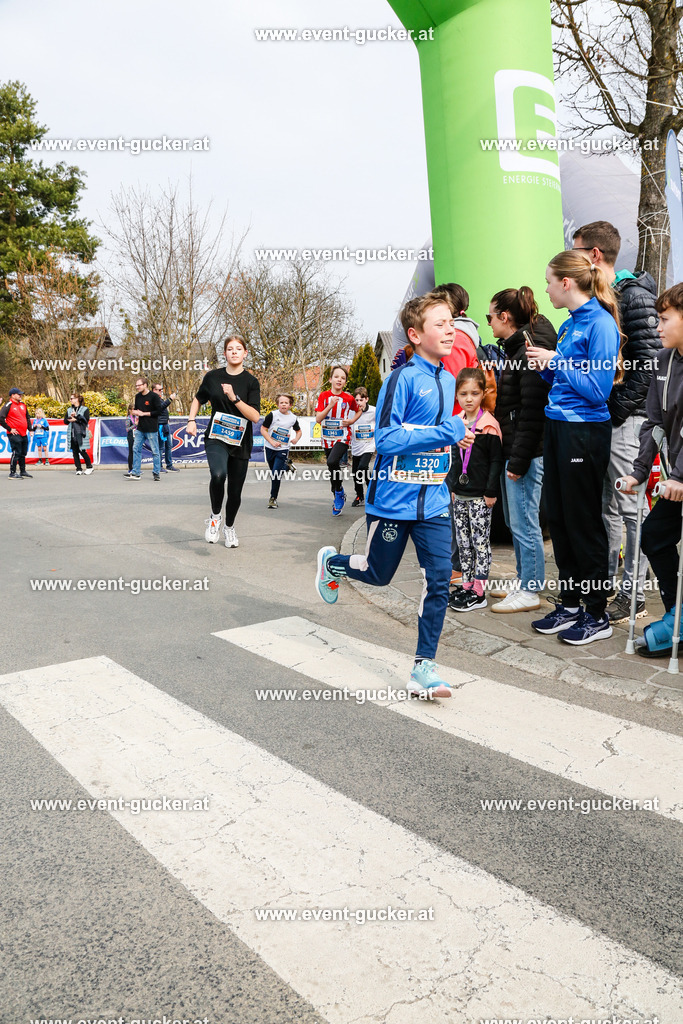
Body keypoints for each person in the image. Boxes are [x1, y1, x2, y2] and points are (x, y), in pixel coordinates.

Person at [315, 292, 475, 697]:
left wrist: (456, 438)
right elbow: (386, 439)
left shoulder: (450, 379)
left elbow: (437, 436)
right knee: (379, 574)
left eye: (452, 322)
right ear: (415, 334)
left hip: (434, 501)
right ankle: (333, 564)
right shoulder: (399, 379)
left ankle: (424, 666)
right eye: (440, 324)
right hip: (393, 501)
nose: (450, 329)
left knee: (439, 579)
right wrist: (446, 433)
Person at [526, 250, 622, 645]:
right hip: (558, 427)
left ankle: (596, 613)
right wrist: (547, 369)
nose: (546, 288)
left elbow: (598, 392)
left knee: (583, 521)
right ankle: (569, 604)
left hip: (584, 432)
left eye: (549, 281)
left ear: (567, 283)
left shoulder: (600, 323)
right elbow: (567, 385)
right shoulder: (569, 325)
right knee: (560, 519)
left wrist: (557, 362)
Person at [572, 221, 661, 624]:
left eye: (576, 251)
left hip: (628, 422)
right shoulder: (610, 297)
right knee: (607, 508)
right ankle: (605, 585)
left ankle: (635, 595)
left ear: (593, 255)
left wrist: (616, 412)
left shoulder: (635, 296)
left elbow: (649, 365)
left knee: (630, 510)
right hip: (609, 420)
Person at [620, 283, 683, 658]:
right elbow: (654, 424)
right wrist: (639, 471)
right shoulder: (664, 360)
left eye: (664, 318)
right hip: (675, 479)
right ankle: (678, 614)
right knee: (654, 536)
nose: (657, 326)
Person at [488, 286, 557, 613]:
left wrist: (518, 459)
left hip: (526, 451)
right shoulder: (517, 348)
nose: (488, 324)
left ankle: (530, 590)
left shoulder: (528, 349)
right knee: (517, 522)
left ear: (505, 316)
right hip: (517, 448)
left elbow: (532, 411)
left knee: (525, 521)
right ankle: (524, 579)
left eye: (490, 316)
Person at [187, 335, 261, 548]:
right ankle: (215, 517)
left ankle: (229, 527)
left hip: (240, 441)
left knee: (235, 492)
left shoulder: (251, 382)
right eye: (230, 348)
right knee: (218, 475)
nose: (234, 352)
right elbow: (198, 398)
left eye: (239, 348)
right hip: (216, 437)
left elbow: (255, 417)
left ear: (245, 353)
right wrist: (191, 420)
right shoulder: (212, 377)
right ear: (225, 353)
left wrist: (235, 398)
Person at [447, 368, 503, 612]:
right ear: (457, 396)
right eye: (463, 394)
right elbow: (453, 459)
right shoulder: (456, 424)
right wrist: (451, 486)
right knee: (463, 542)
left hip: (481, 497)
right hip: (459, 495)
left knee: (480, 543)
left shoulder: (489, 426)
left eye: (474, 393)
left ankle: (479, 590)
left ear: (483, 394)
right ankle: (467, 584)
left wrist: (491, 491)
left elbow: (495, 462)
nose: (468, 399)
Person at [315, 366, 361, 516]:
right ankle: (337, 496)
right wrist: (330, 405)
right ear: (330, 379)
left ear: (345, 382)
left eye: (343, 378)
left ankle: (339, 490)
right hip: (327, 436)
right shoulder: (323, 396)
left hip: (342, 435)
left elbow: (359, 409)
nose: (339, 380)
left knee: (332, 461)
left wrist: (352, 420)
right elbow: (318, 419)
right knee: (331, 468)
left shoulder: (348, 398)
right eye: (336, 377)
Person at [261, 394, 302, 509]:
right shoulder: (272, 415)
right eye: (281, 402)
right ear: (278, 404)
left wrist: (296, 439)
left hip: (283, 449)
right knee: (274, 471)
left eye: (286, 403)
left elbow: (299, 431)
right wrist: (272, 442)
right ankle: (287, 467)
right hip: (270, 447)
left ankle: (273, 498)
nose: (283, 404)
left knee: (275, 474)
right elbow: (263, 430)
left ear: (290, 405)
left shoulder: (293, 418)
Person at [127, 377, 163, 481]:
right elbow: (139, 410)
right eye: (136, 385)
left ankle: (156, 472)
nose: (137, 387)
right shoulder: (137, 396)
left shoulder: (154, 396)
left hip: (151, 428)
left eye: (139, 385)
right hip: (140, 428)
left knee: (155, 451)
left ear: (145, 385)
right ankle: (136, 472)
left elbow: (158, 412)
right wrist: (136, 413)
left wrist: (144, 413)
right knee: (135, 449)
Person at [350, 387, 376, 507]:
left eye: (361, 400)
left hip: (369, 446)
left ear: (366, 399)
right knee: (356, 473)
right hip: (356, 447)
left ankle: (371, 493)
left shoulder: (374, 411)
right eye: (356, 400)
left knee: (362, 467)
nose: (358, 403)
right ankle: (360, 495)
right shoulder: (351, 412)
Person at [0, 387, 33, 479]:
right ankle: (12, 472)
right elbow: (1, 418)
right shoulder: (8, 405)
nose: (20, 395)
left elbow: (27, 417)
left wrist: (30, 429)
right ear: (13, 395)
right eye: (18, 394)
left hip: (23, 433)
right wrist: (10, 429)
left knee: (23, 453)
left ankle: (23, 471)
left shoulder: (23, 405)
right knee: (16, 452)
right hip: (14, 433)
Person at [152, 383, 181, 473]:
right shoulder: (153, 399)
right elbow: (160, 408)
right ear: (154, 390)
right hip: (159, 425)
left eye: (162, 389)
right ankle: (159, 466)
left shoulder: (159, 398)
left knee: (169, 445)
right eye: (159, 390)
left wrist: (167, 419)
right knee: (160, 447)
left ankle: (169, 465)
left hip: (165, 424)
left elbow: (163, 411)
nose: (161, 391)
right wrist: (170, 399)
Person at [64, 393, 94, 475]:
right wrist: (70, 418)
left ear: (77, 399)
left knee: (82, 450)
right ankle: (78, 468)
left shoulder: (85, 409)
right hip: (72, 432)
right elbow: (65, 421)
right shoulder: (69, 409)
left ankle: (89, 466)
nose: (70, 400)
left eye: (72, 398)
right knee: (75, 451)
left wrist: (76, 418)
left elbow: (85, 420)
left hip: (81, 433)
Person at [125, 404, 135, 473]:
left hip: (136, 436)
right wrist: (135, 425)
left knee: (136, 452)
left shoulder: (136, 417)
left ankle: (136, 468)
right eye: (133, 409)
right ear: (130, 410)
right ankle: (130, 468)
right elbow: (127, 429)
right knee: (131, 452)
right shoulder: (128, 418)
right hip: (131, 436)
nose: (134, 411)